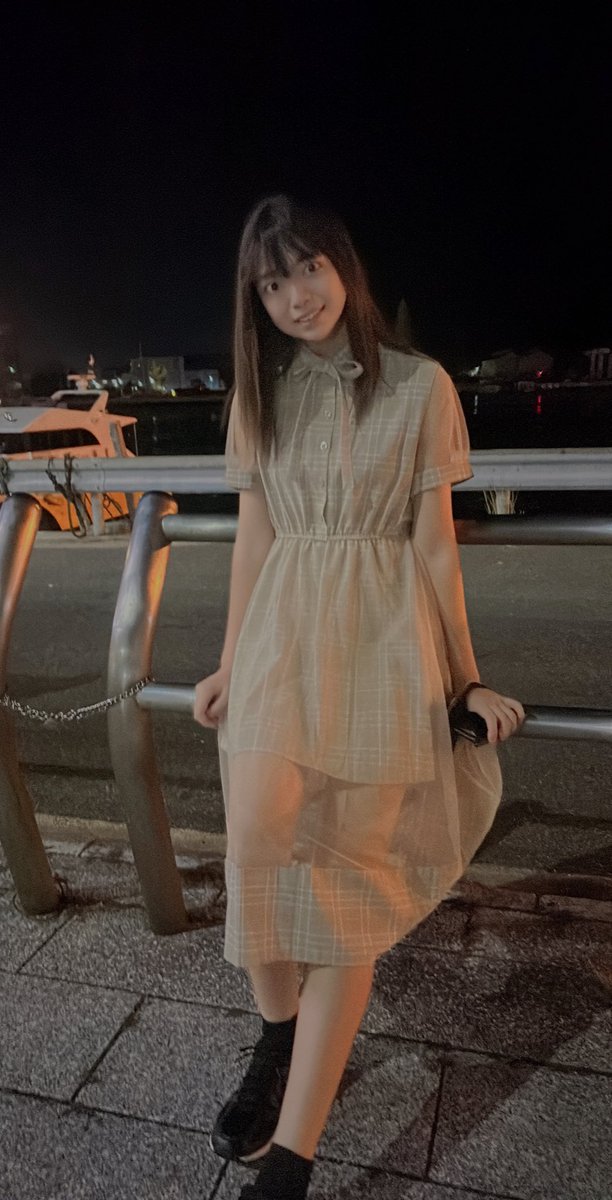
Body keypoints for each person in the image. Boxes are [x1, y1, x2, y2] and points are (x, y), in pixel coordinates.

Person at [194, 193, 524, 1200]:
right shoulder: (261, 395)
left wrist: (466, 675)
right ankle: (278, 1032)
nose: (297, 296)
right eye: (272, 283)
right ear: (256, 301)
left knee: (343, 892)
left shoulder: (421, 387)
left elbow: (434, 547)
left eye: (309, 268)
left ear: (344, 265)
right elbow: (255, 537)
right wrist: (230, 660)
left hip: (384, 647)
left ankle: (293, 1160)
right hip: (282, 641)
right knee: (256, 843)